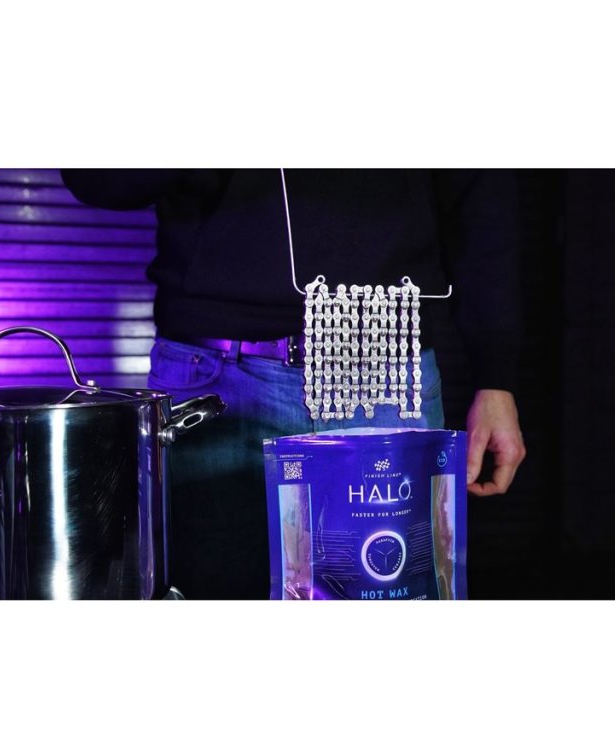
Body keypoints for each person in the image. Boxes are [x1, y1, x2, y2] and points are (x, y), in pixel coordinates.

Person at [61, 169, 526, 599]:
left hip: (385, 371)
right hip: (217, 374)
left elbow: (484, 194)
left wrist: (497, 376)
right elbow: (99, 180)